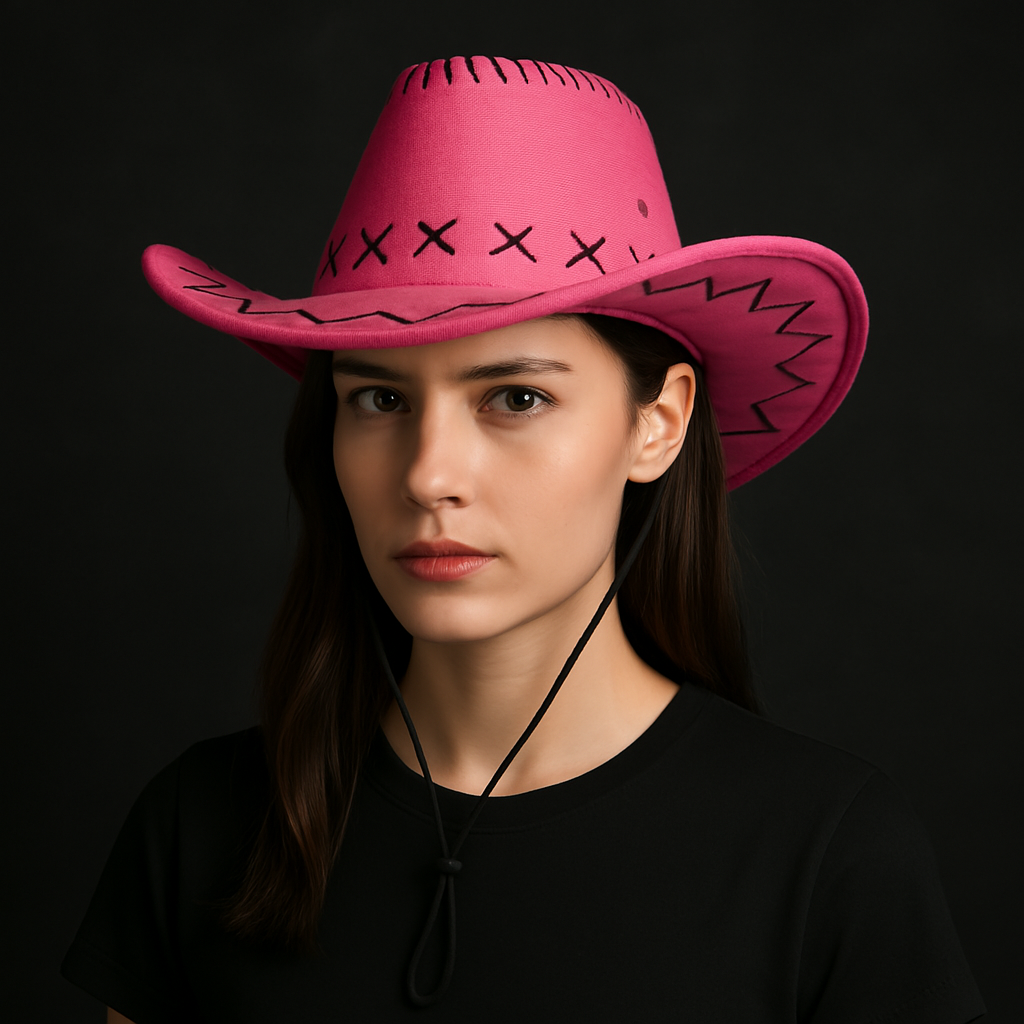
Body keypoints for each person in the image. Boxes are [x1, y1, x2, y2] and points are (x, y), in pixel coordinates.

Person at [60, 55, 986, 1022]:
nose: (428, 476)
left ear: (656, 424)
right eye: (378, 398)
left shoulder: (827, 854)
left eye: (515, 397)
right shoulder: (199, 828)